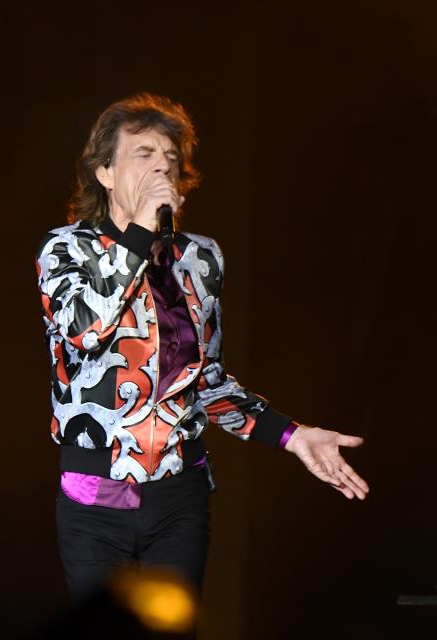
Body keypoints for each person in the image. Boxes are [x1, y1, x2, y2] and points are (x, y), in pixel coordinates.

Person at [36, 93, 368, 602]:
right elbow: (85, 329)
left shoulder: (200, 258)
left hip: (178, 498)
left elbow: (204, 381)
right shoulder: (66, 250)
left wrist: (293, 436)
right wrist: (141, 233)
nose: (160, 168)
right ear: (105, 172)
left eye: (169, 159)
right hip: (96, 499)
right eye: (143, 155)